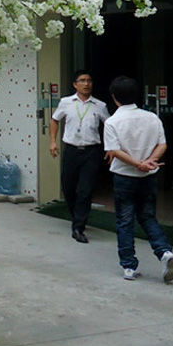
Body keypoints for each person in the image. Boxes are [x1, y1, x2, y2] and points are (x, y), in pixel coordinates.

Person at [104, 75, 173, 282]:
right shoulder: (152, 117)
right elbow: (162, 144)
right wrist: (149, 162)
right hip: (147, 177)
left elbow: (114, 151)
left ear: (114, 97)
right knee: (148, 217)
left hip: (124, 176)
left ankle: (129, 266)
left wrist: (137, 164)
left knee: (125, 220)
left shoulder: (112, 121)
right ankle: (164, 252)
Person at [50, 69, 110, 242]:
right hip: (71, 150)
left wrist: (111, 147)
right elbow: (55, 120)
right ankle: (77, 215)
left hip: (91, 151)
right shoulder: (66, 102)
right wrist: (53, 141)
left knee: (85, 190)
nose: (86, 84)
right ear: (75, 84)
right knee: (68, 187)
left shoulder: (100, 105)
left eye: (89, 80)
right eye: (82, 80)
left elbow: (110, 125)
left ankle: (78, 228)